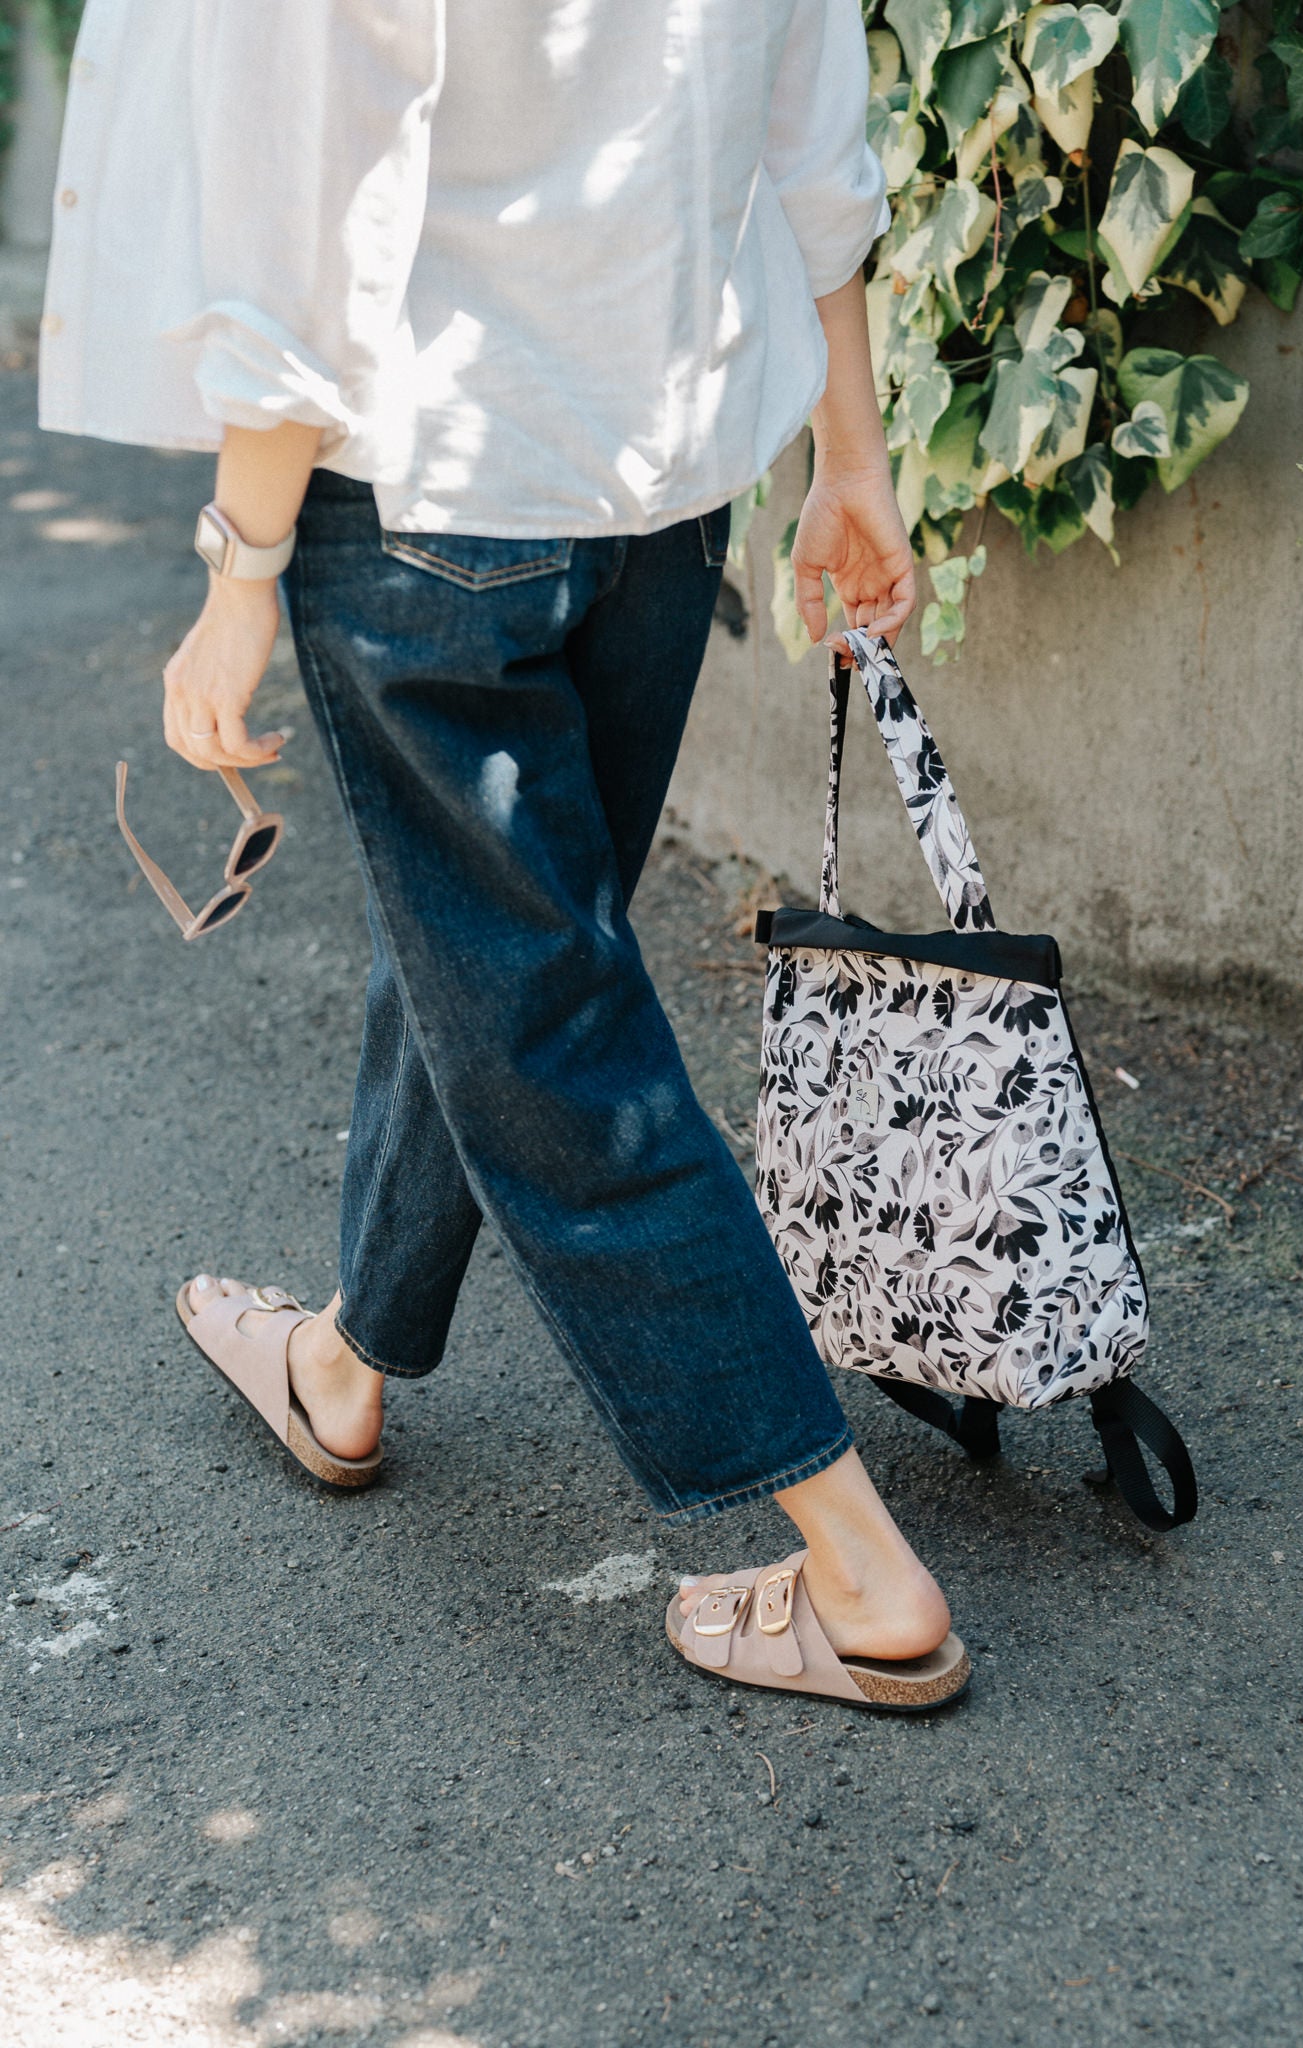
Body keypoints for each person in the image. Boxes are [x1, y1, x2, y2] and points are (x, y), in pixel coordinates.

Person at [40, 0, 968, 1712]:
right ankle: (344, 1358)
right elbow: (808, 140)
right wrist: (851, 451)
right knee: (503, 942)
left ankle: (856, 1569)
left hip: (427, 500)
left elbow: (292, 226)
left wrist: (238, 572)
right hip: (659, 485)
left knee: (545, 1018)